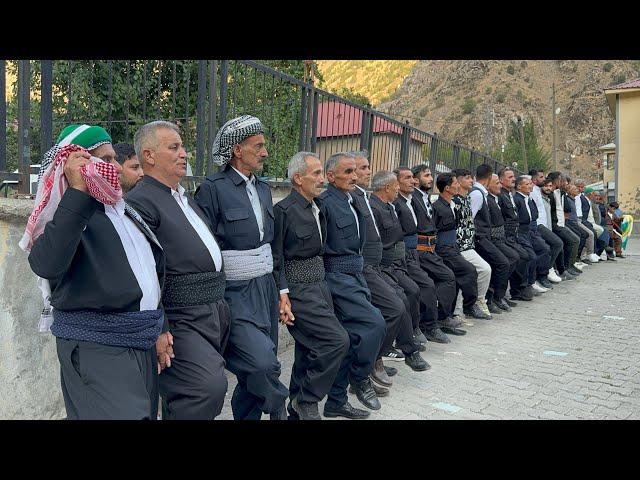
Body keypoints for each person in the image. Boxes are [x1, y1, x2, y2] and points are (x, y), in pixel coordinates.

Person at [27, 134, 167, 420]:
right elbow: (45, 264)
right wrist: (78, 191)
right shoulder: (69, 214)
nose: (115, 166)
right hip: (97, 346)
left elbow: (148, 275)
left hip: (139, 342)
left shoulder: (124, 210)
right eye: (105, 160)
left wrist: (160, 327)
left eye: (115, 159)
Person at [126, 121, 230, 420]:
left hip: (215, 310)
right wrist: (159, 326)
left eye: (182, 146)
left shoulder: (183, 197)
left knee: (258, 364)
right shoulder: (141, 202)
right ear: (149, 155)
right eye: (174, 147)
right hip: (180, 315)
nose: (184, 153)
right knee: (206, 387)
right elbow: (143, 271)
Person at [194, 115, 289, 420]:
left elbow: (273, 246)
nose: (265, 152)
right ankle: (281, 410)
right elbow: (203, 249)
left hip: (265, 289)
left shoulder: (262, 189)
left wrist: (281, 290)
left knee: (257, 369)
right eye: (258, 146)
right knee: (262, 364)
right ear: (237, 149)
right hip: (233, 293)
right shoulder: (213, 188)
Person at [272, 152, 349, 420]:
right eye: (315, 174)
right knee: (337, 340)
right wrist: (283, 294)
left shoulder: (319, 207)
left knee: (308, 349)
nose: (321, 179)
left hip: (320, 284)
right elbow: (276, 257)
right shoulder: (283, 211)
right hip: (298, 288)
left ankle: (296, 405)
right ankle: (306, 400)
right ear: (297, 178)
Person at [351, 152, 429, 390]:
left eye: (366, 167)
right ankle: (374, 362)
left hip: (379, 266)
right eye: (362, 168)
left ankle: (380, 358)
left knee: (403, 299)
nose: (367, 172)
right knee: (395, 305)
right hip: (366, 268)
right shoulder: (355, 199)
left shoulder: (365, 198)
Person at [318, 152, 386, 419]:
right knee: (375, 323)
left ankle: (335, 402)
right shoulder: (324, 203)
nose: (354, 176)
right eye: (347, 172)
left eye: (354, 172)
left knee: (349, 340)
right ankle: (360, 378)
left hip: (357, 276)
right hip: (337, 278)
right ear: (330, 176)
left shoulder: (353, 200)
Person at [394, 166, 461, 343]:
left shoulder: (416, 199)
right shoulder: (406, 200)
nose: (430, 179)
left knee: (445, 278)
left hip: (424, 250)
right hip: (414, 251)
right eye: (426, 175)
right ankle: (429, 324)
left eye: (431, 175)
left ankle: (437, 318)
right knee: (428, 284)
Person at [432, 172, 487, 320]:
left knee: (457, 278)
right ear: (447, 188)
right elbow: (434, 230)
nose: (457, 186)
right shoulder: (437, 207)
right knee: (468, 270)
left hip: (453, 247)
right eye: (455, 183)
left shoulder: (452, 205)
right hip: (444, 249)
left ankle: (452, 314)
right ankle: (468, 307)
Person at [451, 167, 494, 317]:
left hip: (469, 244)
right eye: (468, 178)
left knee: (480, 270)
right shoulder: (454, 201)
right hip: (459, 246)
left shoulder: (467, 198)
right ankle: (465, 307)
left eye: (471, 177)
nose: (471, 181)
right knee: (482, 269)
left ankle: (474, 303)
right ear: (458, 180)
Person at [468, 165, 512, 313]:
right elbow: (470, 219)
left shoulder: (481, 193)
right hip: (480, 238)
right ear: (488, 179)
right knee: (502, 262)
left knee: (502, 262)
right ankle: (490, 299)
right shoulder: (477, 194)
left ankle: (495, 298)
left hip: (484, 237)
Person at [498, 167, 536, 300]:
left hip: (514, 235)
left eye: (513, 176)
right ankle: (514, 291)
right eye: (509, 177)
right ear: (501, 180)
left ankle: (521, 288)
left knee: (524, 256)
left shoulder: (508, 194)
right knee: (520, 257)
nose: (513, 179)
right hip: (506, 236)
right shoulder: (501, 196)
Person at [486, 174, 523, 305]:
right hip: (493, 239)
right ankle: (494, 297)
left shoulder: (496, 198)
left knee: (514, 258)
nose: (499, 186)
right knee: (507, 260)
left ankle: (499, 295)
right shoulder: (487, 199)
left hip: (502, 237)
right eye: (496, 183)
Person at [513, 175, 552, 294]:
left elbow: (534, 215)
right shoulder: (517, 199)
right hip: (522, 231)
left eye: (531, 184)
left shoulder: (528, 199)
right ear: (519, 187)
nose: (531, 186)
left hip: (532, 230)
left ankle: (538, 278)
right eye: (527, 184)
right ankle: (528, 284)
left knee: (544, 248)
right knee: (530, 256)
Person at [529, 169, 564, 283]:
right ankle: (545, 271)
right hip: (537, 225)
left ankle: (547, 271)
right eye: (541, 177)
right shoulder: (532, 191)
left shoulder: (538, 190)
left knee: (551, 246)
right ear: (534, 179)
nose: (544, 179)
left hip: (544, 224)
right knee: (556, 243)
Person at [547, 172, 582, 278]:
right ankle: (562, 268)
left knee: (575, 239)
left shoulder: (560, 193)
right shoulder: (552, 192)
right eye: (563, 181)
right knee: (571, 240)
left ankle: (568, 266)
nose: (566, 184)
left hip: (561, 223)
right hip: (555, 224)